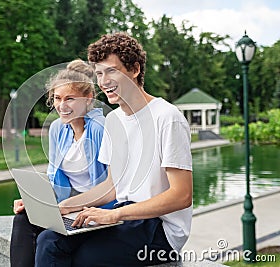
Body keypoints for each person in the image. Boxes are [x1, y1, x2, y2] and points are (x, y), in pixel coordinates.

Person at [35, 32, 193, 266]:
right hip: (125, 216)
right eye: (99, 73)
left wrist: (114, 214)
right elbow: (112, 186)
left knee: (85, 258)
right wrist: (64, 207)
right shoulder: (114, 120)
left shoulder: (167, 117)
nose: (103, 81)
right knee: (49, 240)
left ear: (135, 69)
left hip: (159, 227)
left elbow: (182, 195)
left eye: (111, 71)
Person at [10, 59, 113, 267]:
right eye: (57, 98)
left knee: (47, 240)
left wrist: (70, 206)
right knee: (22, 219)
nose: (61, 105)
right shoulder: (58, 128)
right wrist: (34, 201)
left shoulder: (101, 129)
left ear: (88, 98)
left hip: (96, 211)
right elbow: (53, 176)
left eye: (70, 99)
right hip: (66, 209)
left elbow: (114, 187)